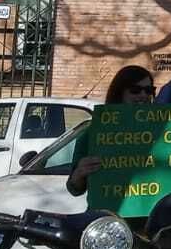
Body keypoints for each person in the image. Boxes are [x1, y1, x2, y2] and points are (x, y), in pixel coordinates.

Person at [66, 65, 156, 197]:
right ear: (120, 93)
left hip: (150, 214)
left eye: (149, 90)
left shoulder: (162, 130)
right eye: (135, 90)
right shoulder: (94, 132)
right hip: (110, 213)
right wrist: (79, 173)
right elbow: (74, 188)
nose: (143, 95)